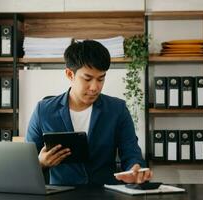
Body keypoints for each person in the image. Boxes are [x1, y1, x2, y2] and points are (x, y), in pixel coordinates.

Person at [26, 40, 153, 185]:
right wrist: (41, 163)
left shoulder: (117, 109)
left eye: (101, 79)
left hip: (105, 194)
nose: (95, 87)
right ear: (69, 74)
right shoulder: (43, 110)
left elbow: (131, 153)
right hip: (61, 195)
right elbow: (26, 165)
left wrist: (135, 168)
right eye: (87, 79)